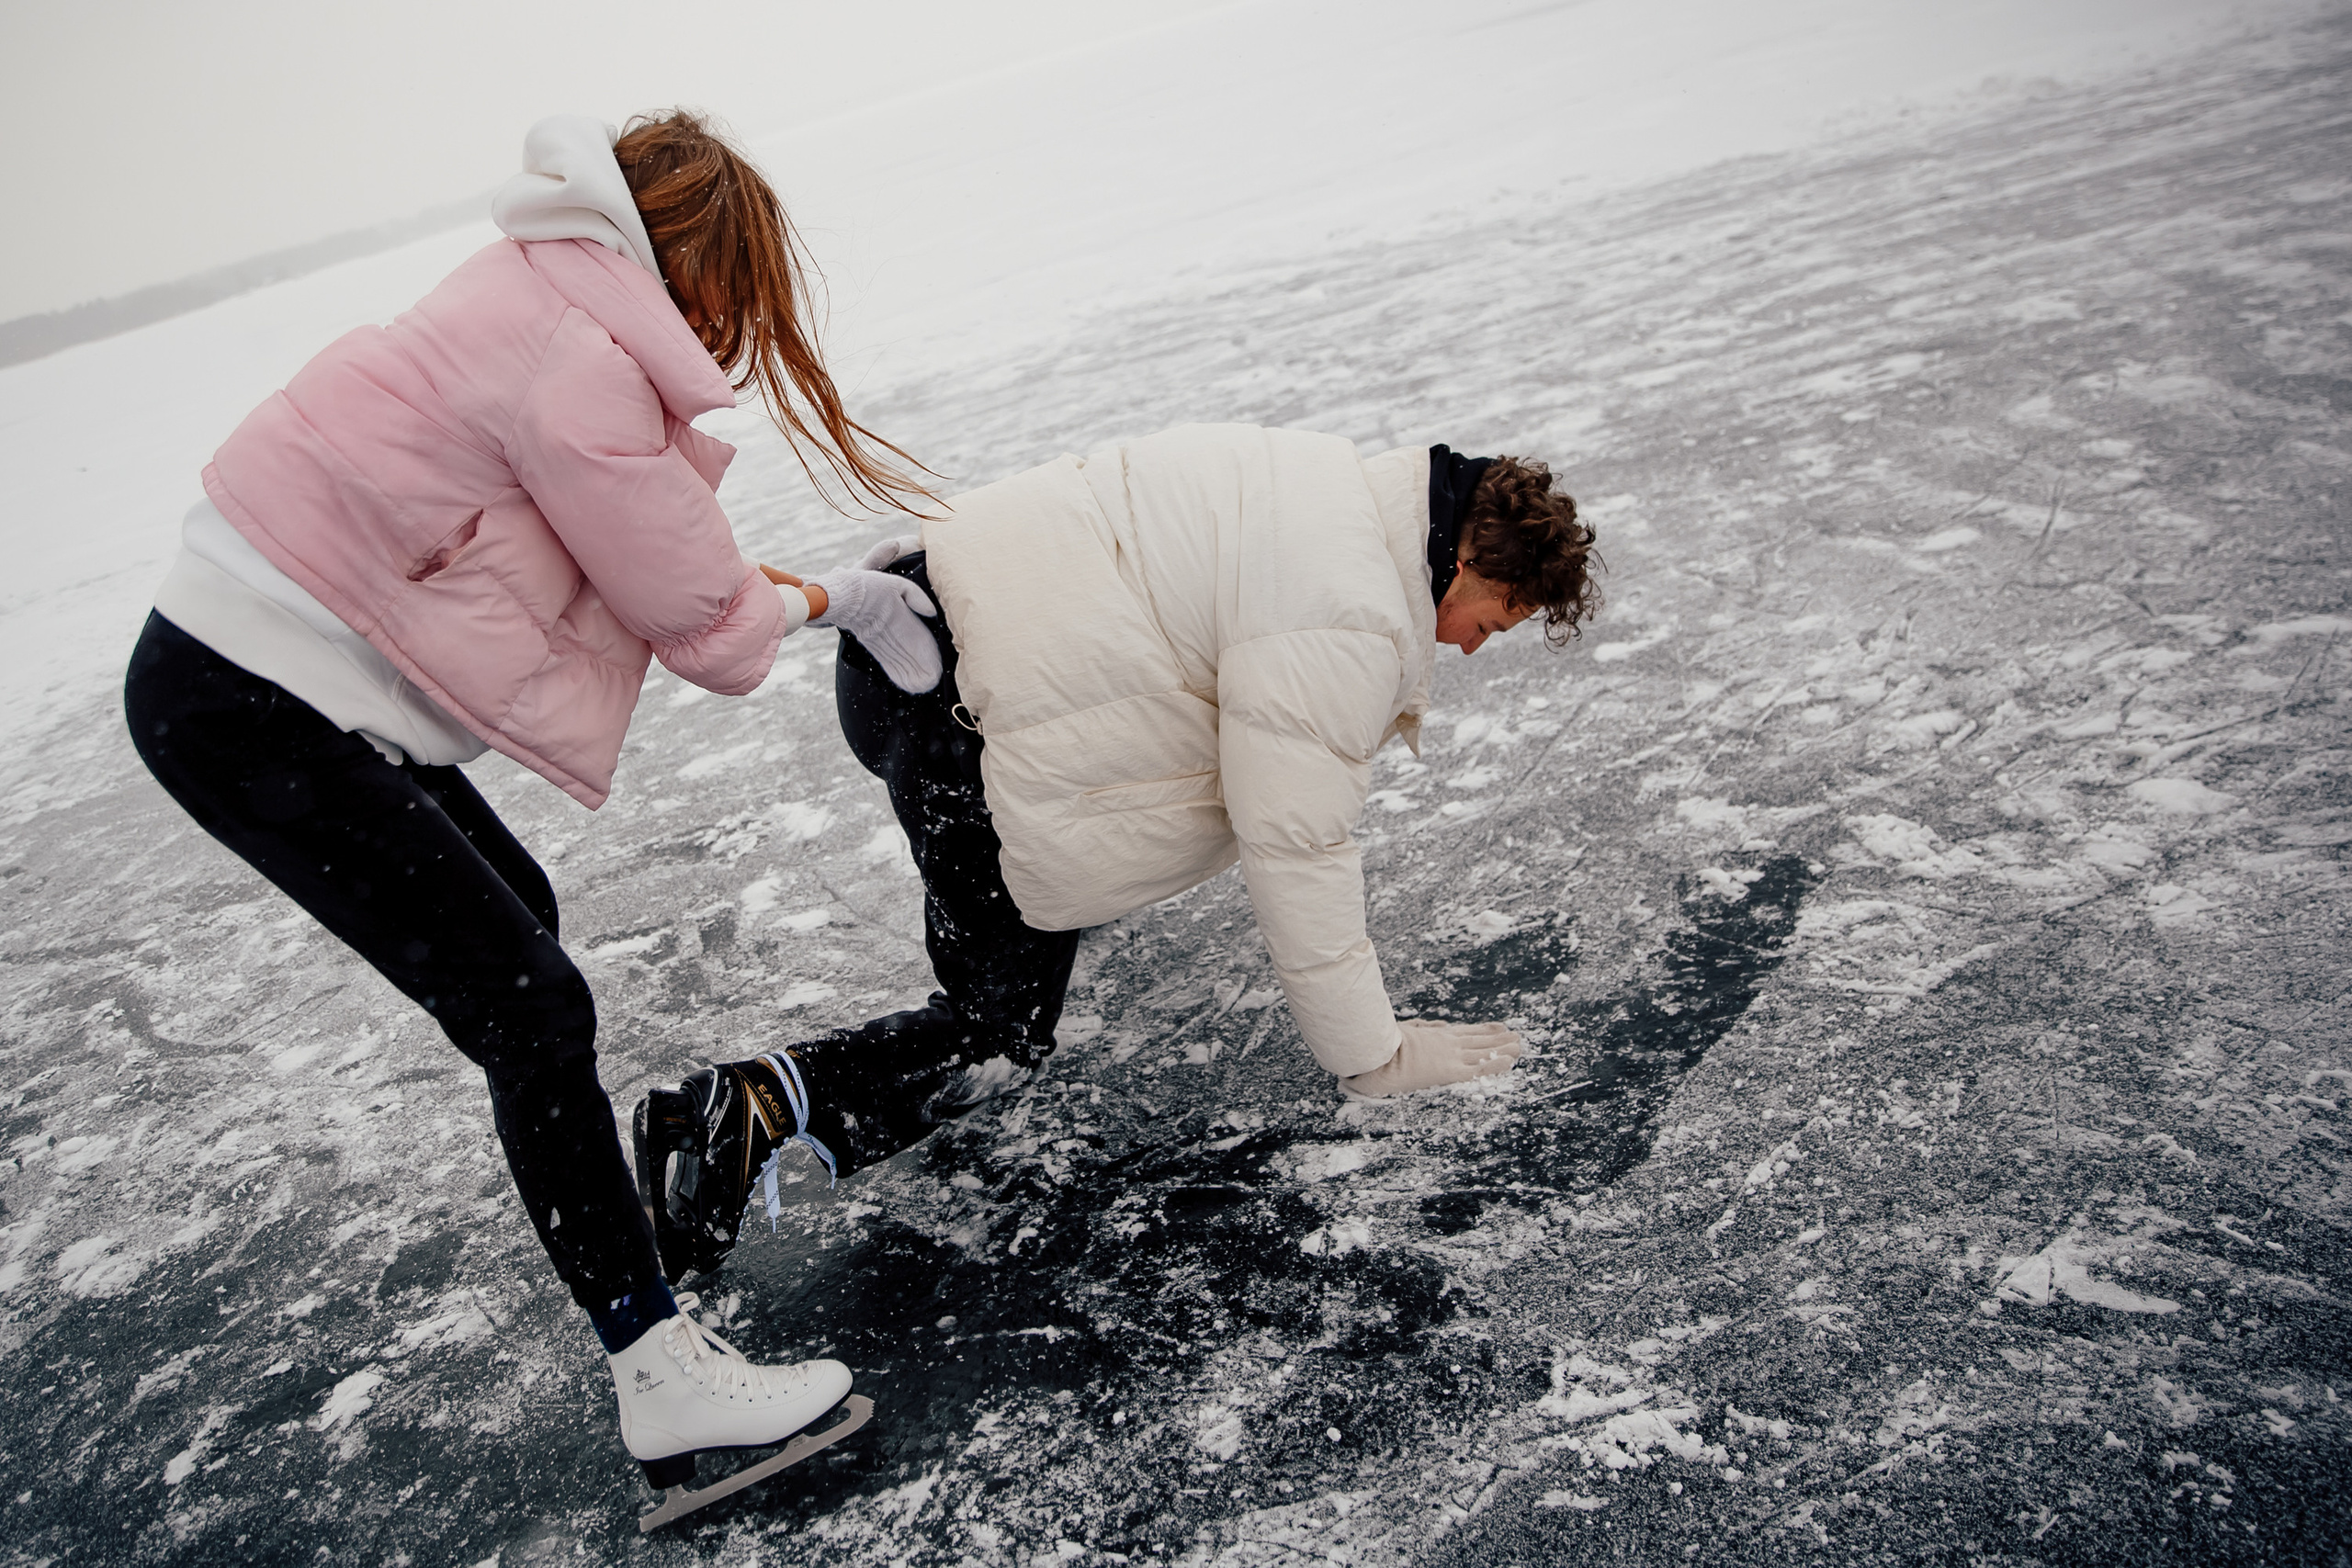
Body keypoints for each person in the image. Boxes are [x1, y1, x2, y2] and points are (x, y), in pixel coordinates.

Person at [121, 112, 943, 1506]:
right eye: (733, 285)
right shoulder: (588, 357)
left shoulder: (539, 287)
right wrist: (835, 596)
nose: (735, 325)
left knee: (524, 937)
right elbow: (706, 622)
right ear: (683, 255)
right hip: (253, 693)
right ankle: (660, 1376)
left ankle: (632, 1286)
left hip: (265, 667)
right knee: (530, 1008)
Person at [636, 423, 1600, 1279]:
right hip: (956, 719)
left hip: (907, 619)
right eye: (1493, 621)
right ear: (1469, 562)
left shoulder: (1331, 482)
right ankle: (742, 1111)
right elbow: (1296, 841)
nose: (1472, 648)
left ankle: (1014, 934)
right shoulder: (1350, 612)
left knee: (1041, 895)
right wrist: (1373, 1054)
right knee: (998, 1032)